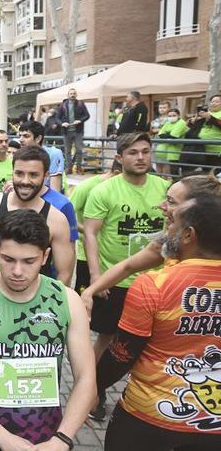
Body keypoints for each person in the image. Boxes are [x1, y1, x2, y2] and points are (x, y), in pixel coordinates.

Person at [0, 210, 95, 451]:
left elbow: (86, 378)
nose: (17, 271)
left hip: (47, 438)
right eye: (8, 259)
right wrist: (1, 436)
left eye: (29, 261)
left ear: (45, 256)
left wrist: (63, 439)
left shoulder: (67, 300)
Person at [97, 194, 221, 450]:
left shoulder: (154, 284)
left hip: (148, 419)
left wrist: (91, 387)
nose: (167, 227)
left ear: (188, 235)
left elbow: (122, 354)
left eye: (172, 221)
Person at [82, 132, 169, 422]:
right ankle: (91, 392)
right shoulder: (105, 190)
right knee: (106, 338)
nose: (141, 157)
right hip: (115, 280)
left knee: (154, 342)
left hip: (156, 284)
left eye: (145, 151)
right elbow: (91, 234)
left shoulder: (164, 189)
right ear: (119, 157)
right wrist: (97, 277)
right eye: (133, 152)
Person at [80, 173, 221, 312]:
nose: (161, 206)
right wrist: (90, 291)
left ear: (197, 208)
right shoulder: (169, 242)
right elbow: (127, 266)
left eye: (171, 202)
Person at [0, 146, 75, 286]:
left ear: (46, 175)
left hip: (36, 302)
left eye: (33, 175)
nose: (25, 181)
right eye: (19, 173)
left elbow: (64, 273)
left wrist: (52, 304)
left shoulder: (57, 220)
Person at [67, 161, 122, 294]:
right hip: (86, 253)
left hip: (109, 255)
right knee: (84, 294)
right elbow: (66, 214)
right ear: (116, 173)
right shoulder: (86, 187)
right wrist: (87, 230)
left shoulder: (121, 190)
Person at [18, 121, 65, 192]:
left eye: (26, 136)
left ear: (38, 139)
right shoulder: (19, 155)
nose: (20, 140)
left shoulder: (53, 154)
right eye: (20, 136)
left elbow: (55, 191)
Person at [56, 88, 90, 174]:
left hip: (78, 131)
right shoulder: (63, 105)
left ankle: (78, 167)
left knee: (79, 149)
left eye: (74, 93)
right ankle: (69, 168)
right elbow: (57, 118)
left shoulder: (80, 104)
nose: (72, 95)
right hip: (66, 132)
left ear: (76, 95)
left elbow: (87, 115)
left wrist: (80, 120)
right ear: (68, 95)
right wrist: (62, 123)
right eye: (71, 93)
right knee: (67, 151)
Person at [155, 108, 188, 176]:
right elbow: (160, 134)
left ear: (178, 115)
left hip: (178, 151)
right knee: (169, 171)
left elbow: (173, 136)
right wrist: (168, 135)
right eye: (169, 116)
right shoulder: (167, 123)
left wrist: (166, 134)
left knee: (175, 172)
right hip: (167, 151)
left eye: (174, 115)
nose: (171, 117)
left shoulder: (181, 123)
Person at [197, 92, 221, 169]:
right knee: (205, 172)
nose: (213, 103)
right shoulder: (207, 113)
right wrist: (194, 121)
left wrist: (210, 118)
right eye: (212, 101)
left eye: (217, 102)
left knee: (215, 172)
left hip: (216, 150)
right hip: (202, 149)